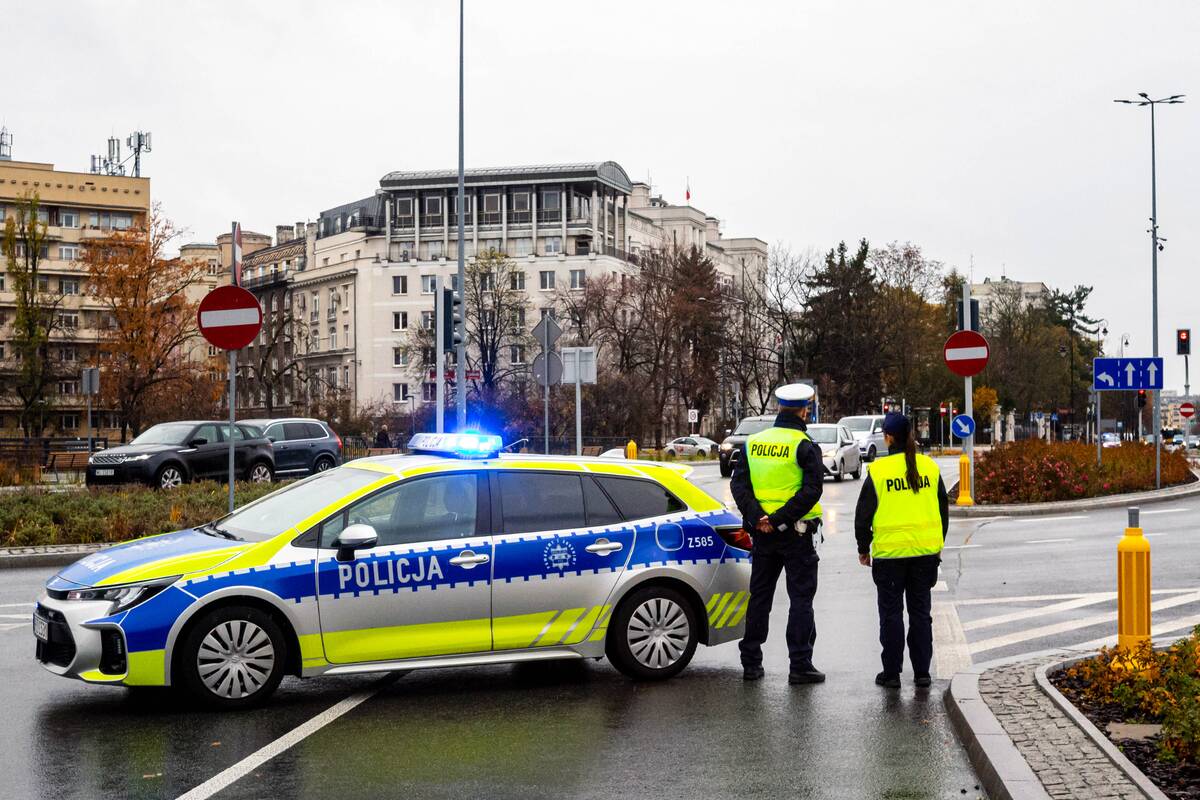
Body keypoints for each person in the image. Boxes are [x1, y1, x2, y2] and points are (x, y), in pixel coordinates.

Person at [730, 383, 825, 685]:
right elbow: (812, 490)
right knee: (800, 599)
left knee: (760, 597)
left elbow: (738, 485)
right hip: (795, 534)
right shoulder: (803, 444)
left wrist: (758, 517)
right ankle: (799, 665)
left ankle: (751, 662)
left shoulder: (753, 443)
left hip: (762, 535)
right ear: (803, 410)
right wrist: (780, 519)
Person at [854, 412, 949, 689]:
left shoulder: (879, 471)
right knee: (921, 614)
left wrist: (863, 547)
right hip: (924, 555)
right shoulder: (930, 468)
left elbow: (863, 514)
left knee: (891, 615)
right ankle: (922, 673)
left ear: (887, 437)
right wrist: (936, 546)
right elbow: (943, 513)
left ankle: (892, 674)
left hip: (890, 557)